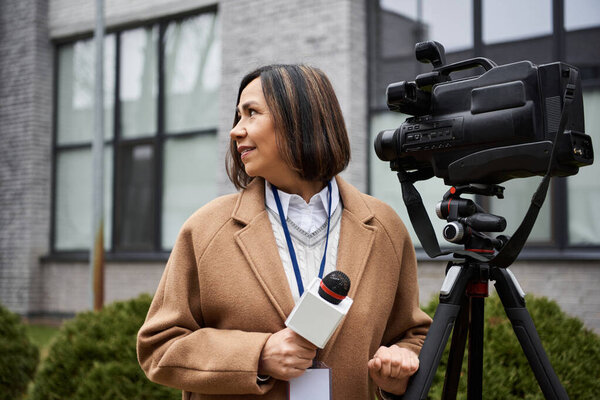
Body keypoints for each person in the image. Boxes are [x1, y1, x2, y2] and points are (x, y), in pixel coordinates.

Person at [137, 64, 431, 400]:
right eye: (238, 116)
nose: (236, 130)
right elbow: (158, 348)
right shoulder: (206, 229)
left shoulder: (384, 226)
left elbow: (411, 334)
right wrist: (258, 355)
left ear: (300, 120)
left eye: (251, 113)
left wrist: (397, 375)